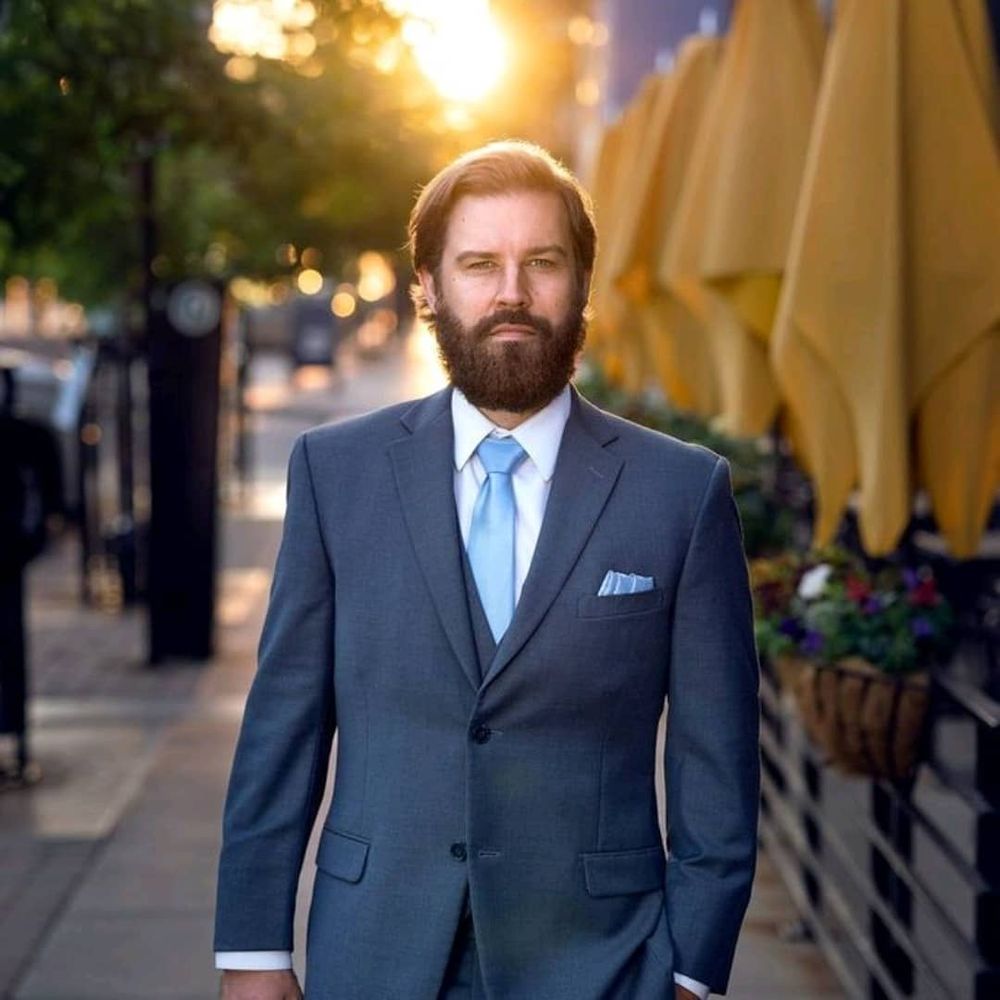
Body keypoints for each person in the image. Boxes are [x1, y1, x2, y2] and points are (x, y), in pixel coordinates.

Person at [215, 141, 760, 1000]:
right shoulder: (336, 472)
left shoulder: (681, 494)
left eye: (541, 262)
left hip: (603, 964)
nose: (512, 292)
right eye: (479, 264)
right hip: (375, 952)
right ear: (427, 285)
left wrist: (694, 971)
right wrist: (253, 950)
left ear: (581, 281)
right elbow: (283, 724)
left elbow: (716, 763)